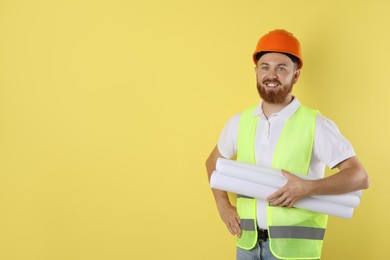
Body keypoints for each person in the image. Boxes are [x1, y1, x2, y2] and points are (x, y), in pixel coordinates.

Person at [205, 29, 369, 260]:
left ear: (296, 75)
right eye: (265, 67)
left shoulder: (316, 125)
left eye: (281, 68)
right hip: (247, 245)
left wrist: (307, 188)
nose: (271, 75)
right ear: (256, 72)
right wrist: (223, 206)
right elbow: (212, 163)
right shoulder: (239, 123)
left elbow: (359, 177)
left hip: (293, 251)